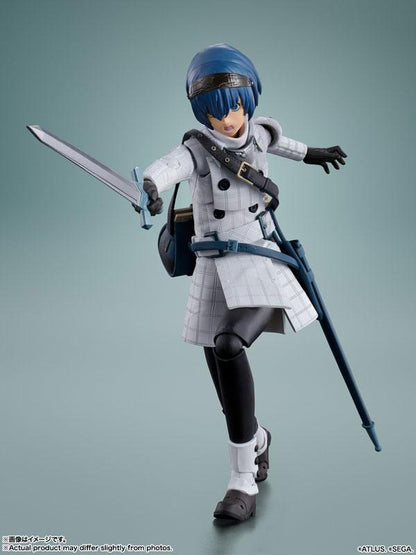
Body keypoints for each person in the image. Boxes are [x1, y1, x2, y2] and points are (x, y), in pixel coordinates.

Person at [141, 43, 346, 522]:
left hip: (258, 257)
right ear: (201, 112)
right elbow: (167, 167)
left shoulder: (259, 132)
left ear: (250, 99)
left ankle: (241, 479)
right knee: (217, 357)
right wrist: (149, 186)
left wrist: (313, 154)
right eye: (217, 112)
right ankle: (256, 439)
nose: (229, 120)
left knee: (229, 344)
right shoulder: (197, 149)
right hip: (213, 266)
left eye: (236, 106)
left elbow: (282, 144)